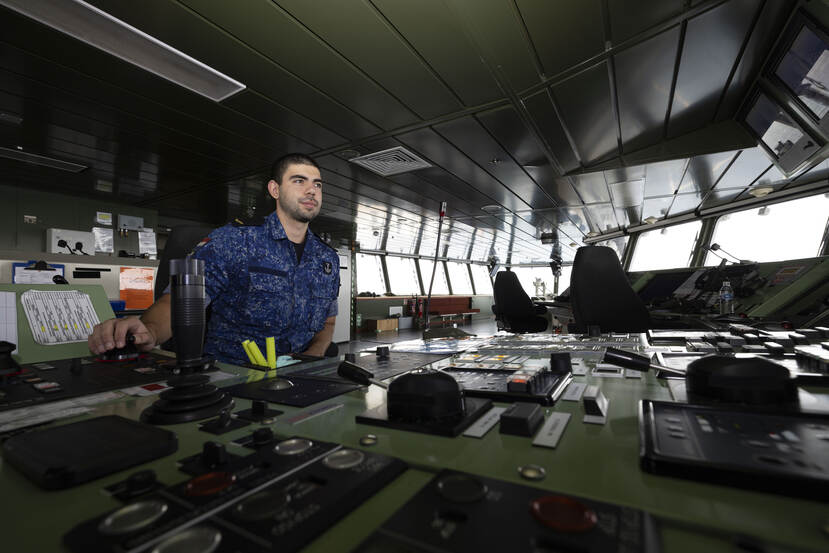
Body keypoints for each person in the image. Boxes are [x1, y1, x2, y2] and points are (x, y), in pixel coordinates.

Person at [88, 153, 340, 365]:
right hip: (235, 379)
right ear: (275, 189)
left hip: (301, 377)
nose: (311, 190)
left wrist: (311, 358)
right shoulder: (233, 241)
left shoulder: (326, 258)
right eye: (299, 181)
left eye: (317, 184)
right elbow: (179, 302)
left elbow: (327, 321)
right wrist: (149, 331)